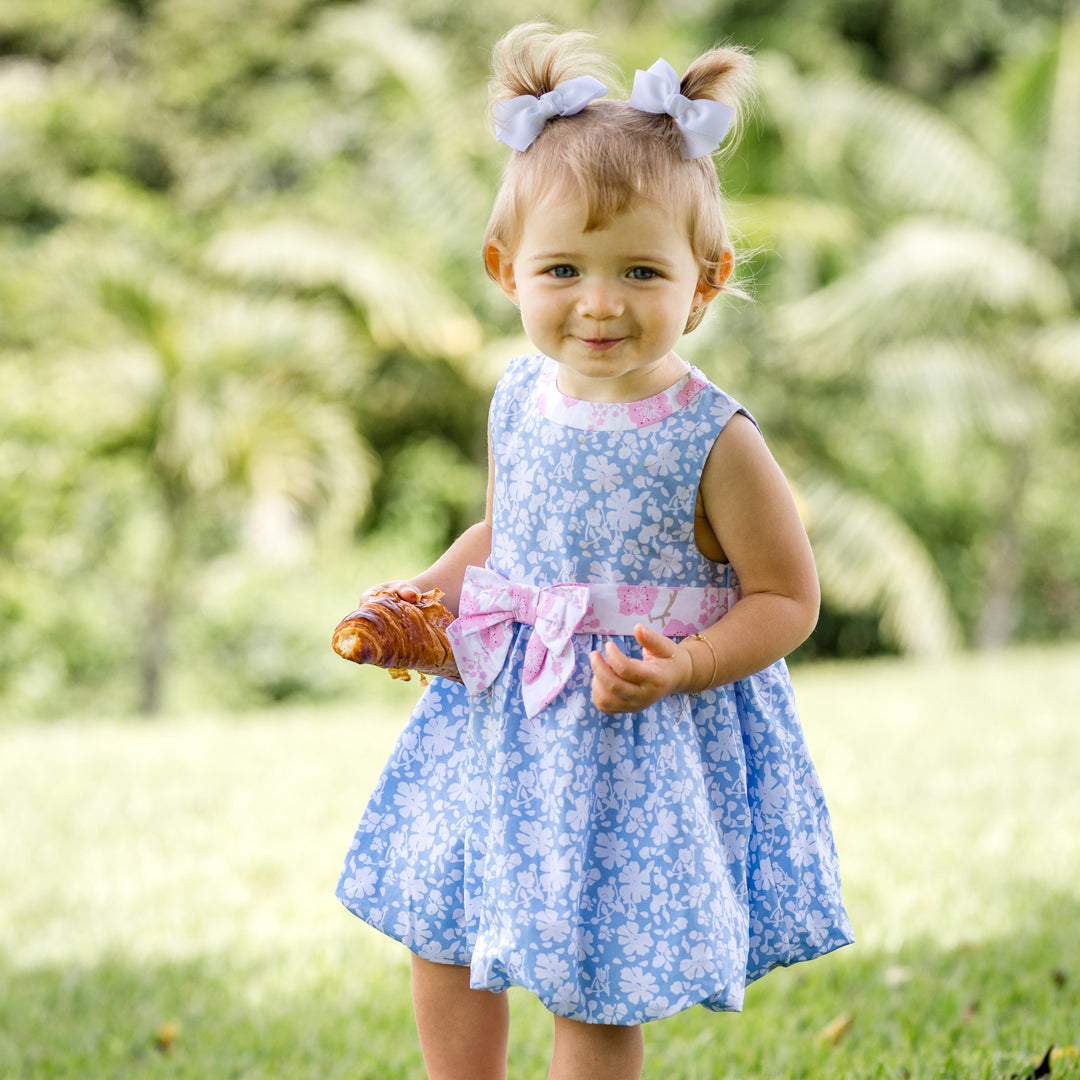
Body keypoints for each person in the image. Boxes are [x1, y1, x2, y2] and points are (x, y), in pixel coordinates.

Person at [337, 23, 853, 1080]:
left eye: (642, 270)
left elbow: (787, 596)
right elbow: (508, 535)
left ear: (705, 281)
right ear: (505, 269)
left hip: (625, 740)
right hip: (499, 720)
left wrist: (689, 664)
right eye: (563, 267)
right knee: (442, 931)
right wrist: (427, 598)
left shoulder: (716, 436)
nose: (601, 302)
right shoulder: (518, 394)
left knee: (592, 979)